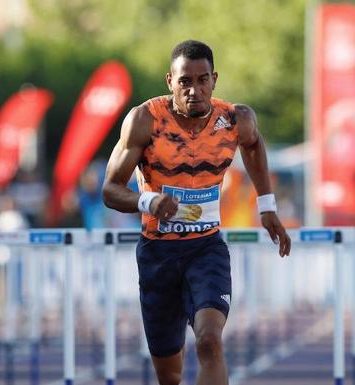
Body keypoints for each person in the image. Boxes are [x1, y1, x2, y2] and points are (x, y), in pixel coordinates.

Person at [102, 40, 291, 385]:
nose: (194, 90)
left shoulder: (235, 119)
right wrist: (149, 201)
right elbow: (110, 190)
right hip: (158, 253)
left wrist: (267, 206)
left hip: (206, 249)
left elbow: (253, 144)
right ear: (169, 81)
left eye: (202, 80)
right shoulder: (145, 121)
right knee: (169, 375)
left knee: (209, 341)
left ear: (214, 79)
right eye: (185, 81)